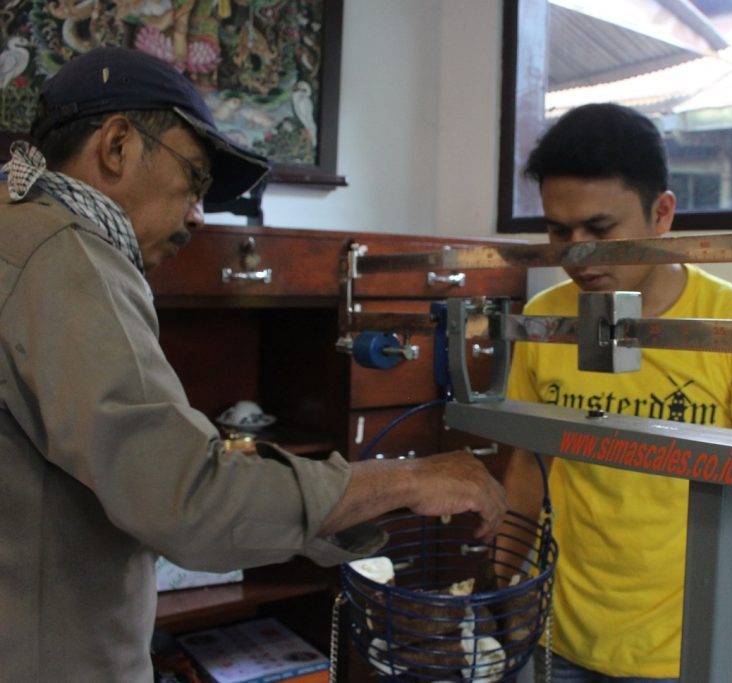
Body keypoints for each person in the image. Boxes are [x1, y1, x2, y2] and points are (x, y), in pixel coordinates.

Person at [0, 47, 506, 682]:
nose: (197, 215)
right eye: (194, 179)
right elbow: (188, 499)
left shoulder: (19, 235)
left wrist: (343, 509)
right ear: (118, 145)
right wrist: (404, 479)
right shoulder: (66, 258)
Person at [501, 103, 732, 682]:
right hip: (554, 634)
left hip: (681, 651)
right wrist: (497, 594)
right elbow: (527, 463)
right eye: (559, 231)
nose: (577, 254)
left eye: (600, 230)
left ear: (661, 213)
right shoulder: (545, 320)